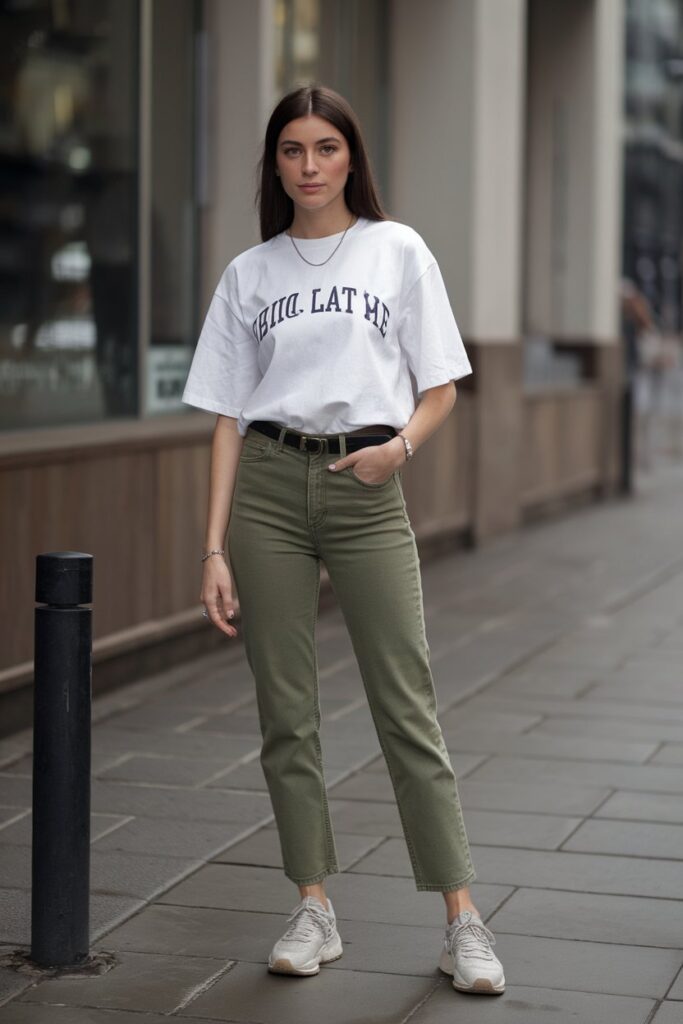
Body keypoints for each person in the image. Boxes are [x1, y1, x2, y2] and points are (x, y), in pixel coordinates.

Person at [181, 83, 505, 998]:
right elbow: (223, 420)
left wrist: (395, 451)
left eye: (326, 148)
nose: (310, 166)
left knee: (407, 705)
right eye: (292, 150)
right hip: (271, 491)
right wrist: (211, 548)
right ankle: (313, 905)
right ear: (274, 163)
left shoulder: (395, 250)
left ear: (350, 157)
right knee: (286, 716)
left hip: (366, 485)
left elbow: (439, 384)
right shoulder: (250, 274)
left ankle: (462, 919)